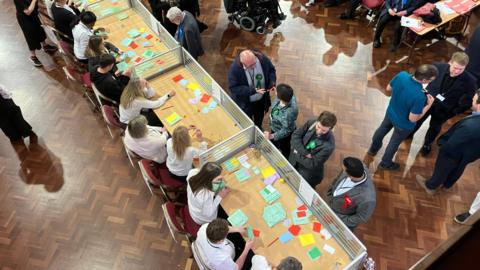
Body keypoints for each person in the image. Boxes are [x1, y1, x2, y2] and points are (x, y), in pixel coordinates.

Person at [368, 64, 438, 170]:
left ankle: (373, 149)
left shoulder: (402, 75)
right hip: (403, 124)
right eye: (430, 80)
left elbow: (388, 88)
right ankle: (385, 163)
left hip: (391, 112)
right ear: (424, 80)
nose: (431, 82)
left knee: (382, 129)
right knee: (394, 142)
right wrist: (429, 105)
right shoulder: (419, 96)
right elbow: (413, 119)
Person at [409, 52, 477, 156]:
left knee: (434, 127)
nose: (457, 71)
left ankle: (427, 144)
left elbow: (467, 102)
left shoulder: (471, 81)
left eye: (461, 69)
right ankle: (410, 133)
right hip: (428, 101)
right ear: (450, 62)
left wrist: (453, 112)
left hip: (444, 110)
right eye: (455, 67)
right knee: (419, 119)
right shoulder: (437, 66)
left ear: (465, 67)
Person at [416, 90, 480, 195]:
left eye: (474, 99)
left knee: (443, 168)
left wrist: (443, 146)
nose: (471, 100)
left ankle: (431, 186)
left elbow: (452, 144)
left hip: (453, 153)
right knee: (459, 167)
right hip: (470, 154)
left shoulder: (470, 126)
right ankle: (447, 184)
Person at [228, 49, 276, 128]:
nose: (254, 67)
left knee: (259, 119)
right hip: (246, 103)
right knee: (247, 123)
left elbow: (271, 70)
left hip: (261, 101)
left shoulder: (262, 59)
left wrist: (272, 83)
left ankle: (258, 128)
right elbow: (233, 88)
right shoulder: (234, 69)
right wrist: (253, 90)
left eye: (254, 63)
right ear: (243, 64)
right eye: (250, 66)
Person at [326, 157, 376, 230]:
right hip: (332, 207)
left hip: (341, 221)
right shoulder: (355, 167)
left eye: (343, 170)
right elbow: (337, 179)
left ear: (350, 175)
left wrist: (339, 219)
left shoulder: (368, 198)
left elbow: (361, 217)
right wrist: (330, 192)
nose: (342, 170)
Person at [289, 111, 337, 188]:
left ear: (331, 128)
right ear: (317, 121)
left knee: (302, 188)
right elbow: (295, 136)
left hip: (307, 173)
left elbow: (312, 163)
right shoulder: (312, 122)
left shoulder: (329, 146)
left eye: (323, 130)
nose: (319, 131)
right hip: (294, 160)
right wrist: (304, 153)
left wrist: (296, 152)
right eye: (318, 127)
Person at [14, 0, 58, 67]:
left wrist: (47, 7)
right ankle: (33, 56)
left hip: (33, 15)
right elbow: (28, 12)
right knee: (30, 36)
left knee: (39, 30)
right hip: (25, 19)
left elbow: (35, 5)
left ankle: (45, 46)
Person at [263, 83, 298, 157]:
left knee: (284, 147)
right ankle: (273, 148)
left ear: (281, 98)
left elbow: (286, 130)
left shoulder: (288, 113)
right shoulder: (289, 96)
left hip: (282, 134)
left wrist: (272, 136)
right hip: (275, 126)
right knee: (274, 143)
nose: (275, 92)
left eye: (277, 92)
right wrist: (276, 92)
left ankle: (285, 158)